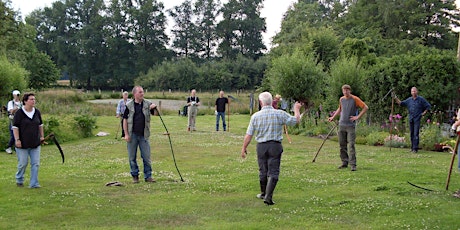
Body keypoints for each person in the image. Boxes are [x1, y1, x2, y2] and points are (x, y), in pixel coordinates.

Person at [241, 92, 302, 205]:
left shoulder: (255, 116)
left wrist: (244, 147)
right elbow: (295, 121)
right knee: (273, 172)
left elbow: (249, 134)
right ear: (271, 101)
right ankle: (268, 197)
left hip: (261, 146)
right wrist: (297, 109)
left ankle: (263, 193)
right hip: (275, 145)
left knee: (263, 171)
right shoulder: (279, 114)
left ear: (260, 102)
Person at [328, 84, 368, 171]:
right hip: (341, 125)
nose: (345, 92)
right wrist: (333, 117)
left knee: (351, 145)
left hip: (350, 126)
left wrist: (357, 117)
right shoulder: (341, 99)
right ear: (342, 91)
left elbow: (365, 107)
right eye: (344, 90)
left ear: (350, 91)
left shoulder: (355, 99)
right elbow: (340, 109)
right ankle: (344, 162)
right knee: (342, 145)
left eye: (347, 90)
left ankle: (353, 165)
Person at [123, 86, 157, 183]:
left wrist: (154, 108)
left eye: (143, 92)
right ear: (135, 94)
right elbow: (124, 120)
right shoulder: (129, 105)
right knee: (132, 157)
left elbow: (156, 114)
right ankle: (135, 176)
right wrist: (126, 134)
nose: (142, 94)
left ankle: (148, 176)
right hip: (132, 134)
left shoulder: (147, 103)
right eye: (140, 92)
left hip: (144, 135)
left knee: (146, 157)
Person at [13, 93, 44, 188]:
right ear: (25, 101)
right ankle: (19, 179)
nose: (33, 101)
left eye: (34, 99)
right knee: (23, 163)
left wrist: (42, 136)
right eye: (31, 99)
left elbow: (40, 125)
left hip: (35, 143)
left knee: (36, 164)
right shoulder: (19, 113)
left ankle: (34, 183)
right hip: (22, 143)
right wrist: (17, 140)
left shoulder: (37, 112)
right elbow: (15, 127)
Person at [394, 87, 431, 153]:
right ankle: (412, 148)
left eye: (414, 91)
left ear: (417, 92)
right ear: (411, 92)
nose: (413, 92)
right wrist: (395, 98)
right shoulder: (409, 100)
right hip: (411, 118)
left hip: (417, 118)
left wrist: (424, 113)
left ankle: (415, 148)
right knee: (411, 133)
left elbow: (428, 106)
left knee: (416, 134)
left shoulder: (421, 99)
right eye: (412, 91)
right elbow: (401, 103)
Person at [6, 90, 22, 154]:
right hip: (13, 120)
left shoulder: (21, 103)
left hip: (20, 120)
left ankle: (17, 147)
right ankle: (8, 147)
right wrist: (16, 108)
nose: (17, 96)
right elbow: (11, 111)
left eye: (18, 95)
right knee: (13, 135)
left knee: (20, 134)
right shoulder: (11, 103)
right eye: (16, 95)